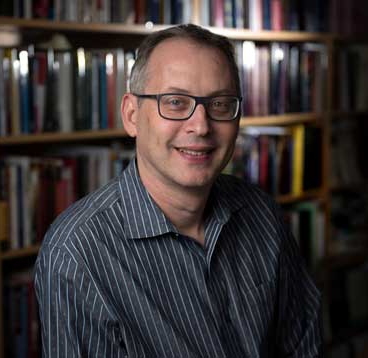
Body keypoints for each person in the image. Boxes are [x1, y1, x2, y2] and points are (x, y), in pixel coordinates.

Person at [34, 24, 322, 357]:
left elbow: (304, 347)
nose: (200, 126)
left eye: (220, 104)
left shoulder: (262, 213)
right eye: (174, 102)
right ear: (131, 115)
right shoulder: (76, 254)